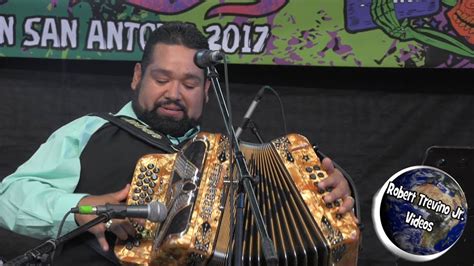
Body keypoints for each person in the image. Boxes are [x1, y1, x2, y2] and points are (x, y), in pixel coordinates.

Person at [0, 22, 355, 265]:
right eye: (161, 78)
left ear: (206, 91)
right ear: (138, 77)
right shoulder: (89, 131)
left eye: (188, 83)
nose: (173, 93)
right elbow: (8, 197)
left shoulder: (233, 161)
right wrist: (83, 208)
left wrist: (332, 198)